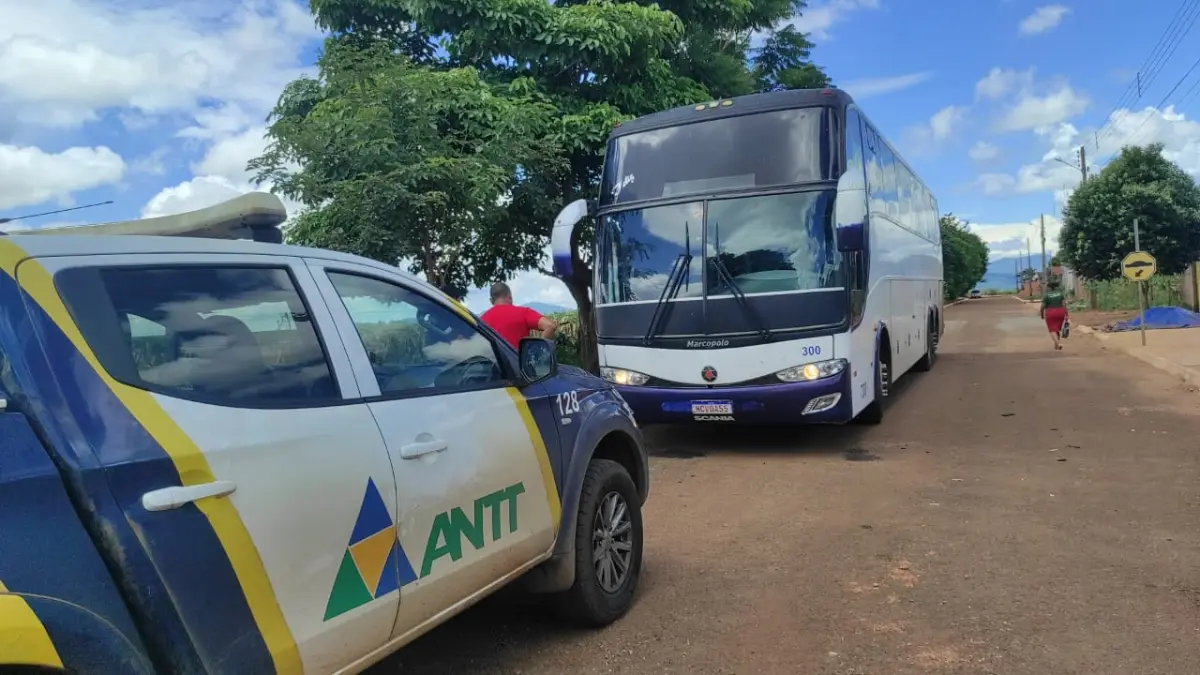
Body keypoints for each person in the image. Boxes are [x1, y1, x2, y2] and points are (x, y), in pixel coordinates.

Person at [480, 281, 557, 348]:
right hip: (519, 363)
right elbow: (550, 326)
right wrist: (538, 349)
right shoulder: (523, 312)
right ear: (510, 297)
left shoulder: (482, 321)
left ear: (491, 300)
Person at [1040, 278, 1068, 351]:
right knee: (1057, 329)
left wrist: (1041, 314)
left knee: (1052, 330)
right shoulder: (1060, 294)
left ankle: (1058, 344)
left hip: (1050, 313)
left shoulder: (1046, 295)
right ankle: (1056, 345)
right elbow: (1064, 305)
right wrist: (1067, 314)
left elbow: (1042, 306)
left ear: (1049, 287)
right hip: (1060, 312)